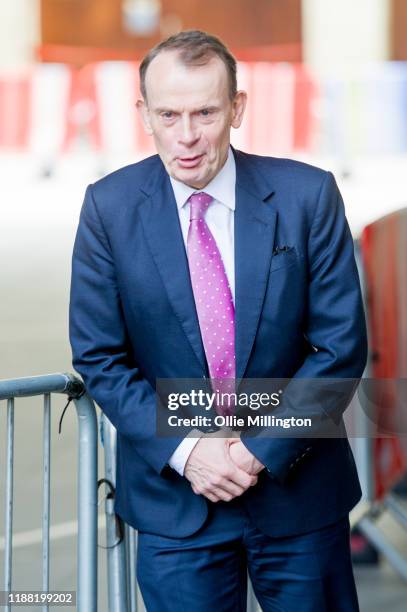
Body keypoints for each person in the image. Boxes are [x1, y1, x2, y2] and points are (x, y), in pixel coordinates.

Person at [69, 30, 367, 611]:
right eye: (169, 114)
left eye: (205, 112)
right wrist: (189, 451)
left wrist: (257, 450)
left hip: (299, 497)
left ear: (237, 108)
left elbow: (339, 349)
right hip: (176, 508)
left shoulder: (308, 197)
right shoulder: (108, 208)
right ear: (143, 114)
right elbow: (101, 357)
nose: (186, 137)